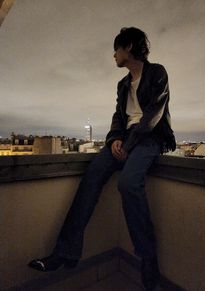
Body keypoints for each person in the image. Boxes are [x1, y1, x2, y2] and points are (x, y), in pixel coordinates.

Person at [28, 27, 176, 291]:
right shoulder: (122, 84)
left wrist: (129, 144)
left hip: (150, 138)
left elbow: (153, 116)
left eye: (116, 49)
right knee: (92, 175)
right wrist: (114, 140)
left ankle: (148, 258)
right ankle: (65, 253)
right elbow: (118, 117)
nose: (113, 55)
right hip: (126, 139)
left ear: (128, 47)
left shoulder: (157, 73)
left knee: (128, 183)